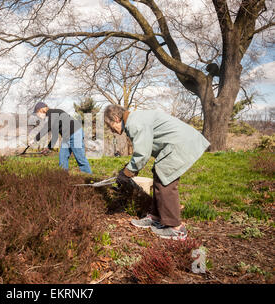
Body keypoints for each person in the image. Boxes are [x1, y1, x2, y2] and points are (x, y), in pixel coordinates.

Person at [104, 105, 210, 240]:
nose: (111, 129)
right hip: (180, 143)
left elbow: (142, 154)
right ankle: (155, 217)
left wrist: (126, 173)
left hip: (182, 144)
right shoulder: (135, 119)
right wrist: (129, 170)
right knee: (159, 173)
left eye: (110, 125)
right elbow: (144, 151)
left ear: (116, 118)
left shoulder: (134, 123)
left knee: (165, 178)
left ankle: (176, 228)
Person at [30, 102, 92, 174]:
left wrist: (34, 139)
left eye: (37, 113)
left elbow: (46, 128)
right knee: (63, 158)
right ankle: (63, 177)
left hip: (75, 133)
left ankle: (89, 178)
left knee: (80, 158)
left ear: (41, 110)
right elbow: (55, 136)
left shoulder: (54, 113)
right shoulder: (51, 117)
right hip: (66, 137)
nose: (38, 116)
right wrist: (48, 148)